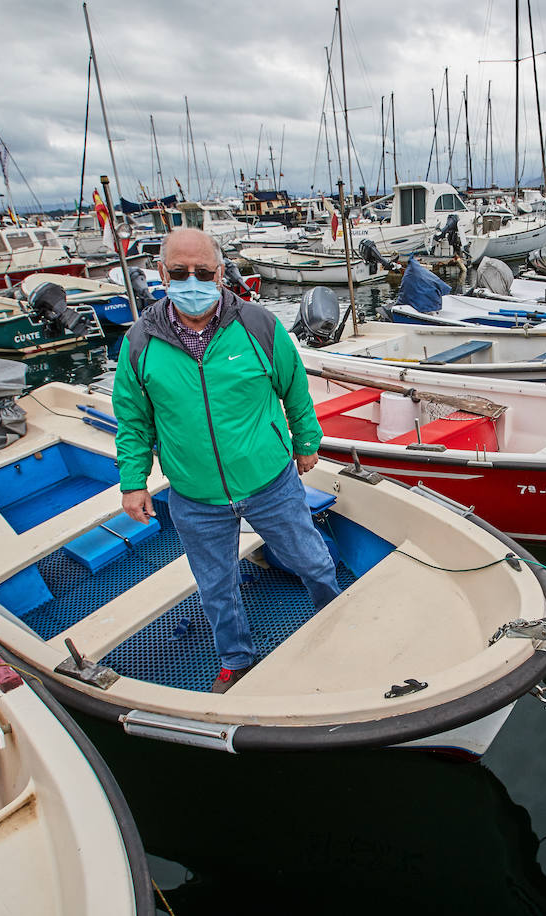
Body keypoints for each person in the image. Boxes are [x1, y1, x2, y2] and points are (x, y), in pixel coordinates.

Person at [113, 228, 341, 693]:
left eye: (202, 272)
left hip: (269, 482)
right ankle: (237, 660)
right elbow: (134, 420)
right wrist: (133, 481)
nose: (191, 281)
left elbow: (294, 388)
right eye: (179, 272)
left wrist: (306, 441)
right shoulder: (138, 343)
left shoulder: (259, 325)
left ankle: (335, 620)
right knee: (216, 589)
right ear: (162, 273)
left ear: (220, 272)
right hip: (195, 497)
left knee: (313, 562)